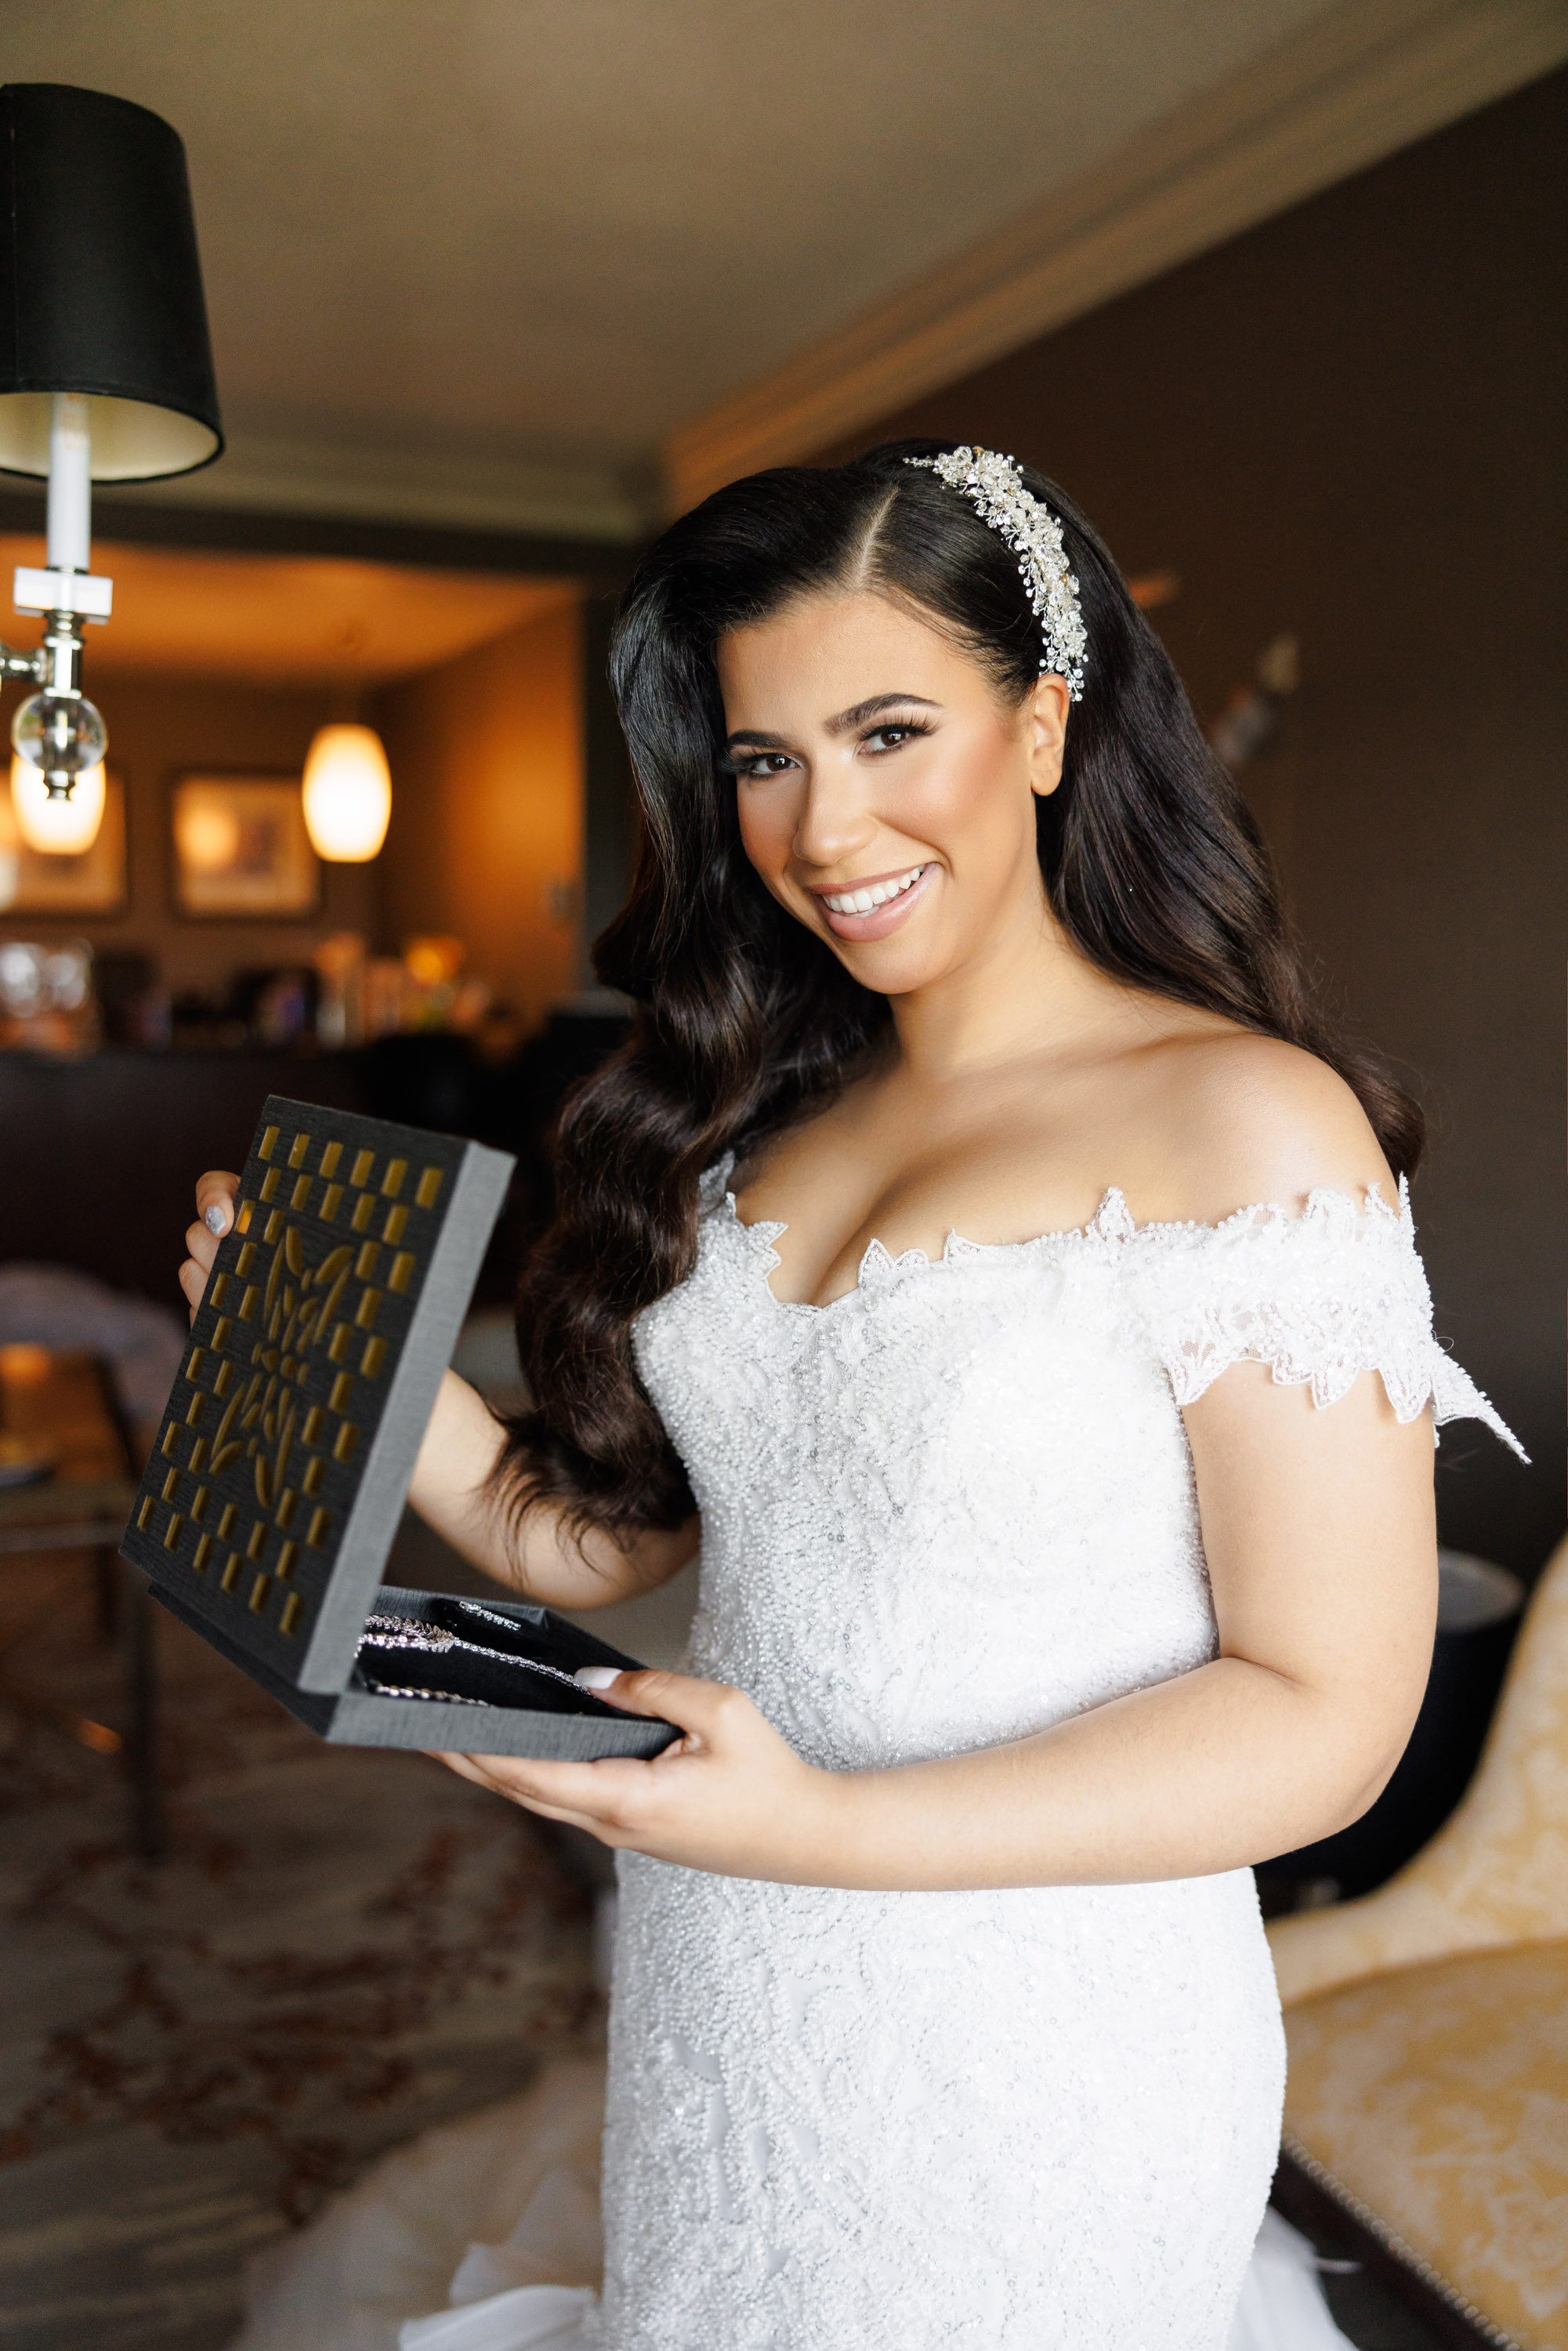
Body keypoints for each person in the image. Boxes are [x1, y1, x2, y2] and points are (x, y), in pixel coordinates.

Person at [184, 444, 1521, 2350]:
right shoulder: (760, 1122)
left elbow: (1323, 1717)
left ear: (1045, 726)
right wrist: (343, 1358)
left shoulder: (1242, 1121)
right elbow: (617, 1547)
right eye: (763, 759)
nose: (823, 828)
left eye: (892, 730)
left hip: (1037, 2046)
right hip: (724, 1975)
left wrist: (809, 1826)